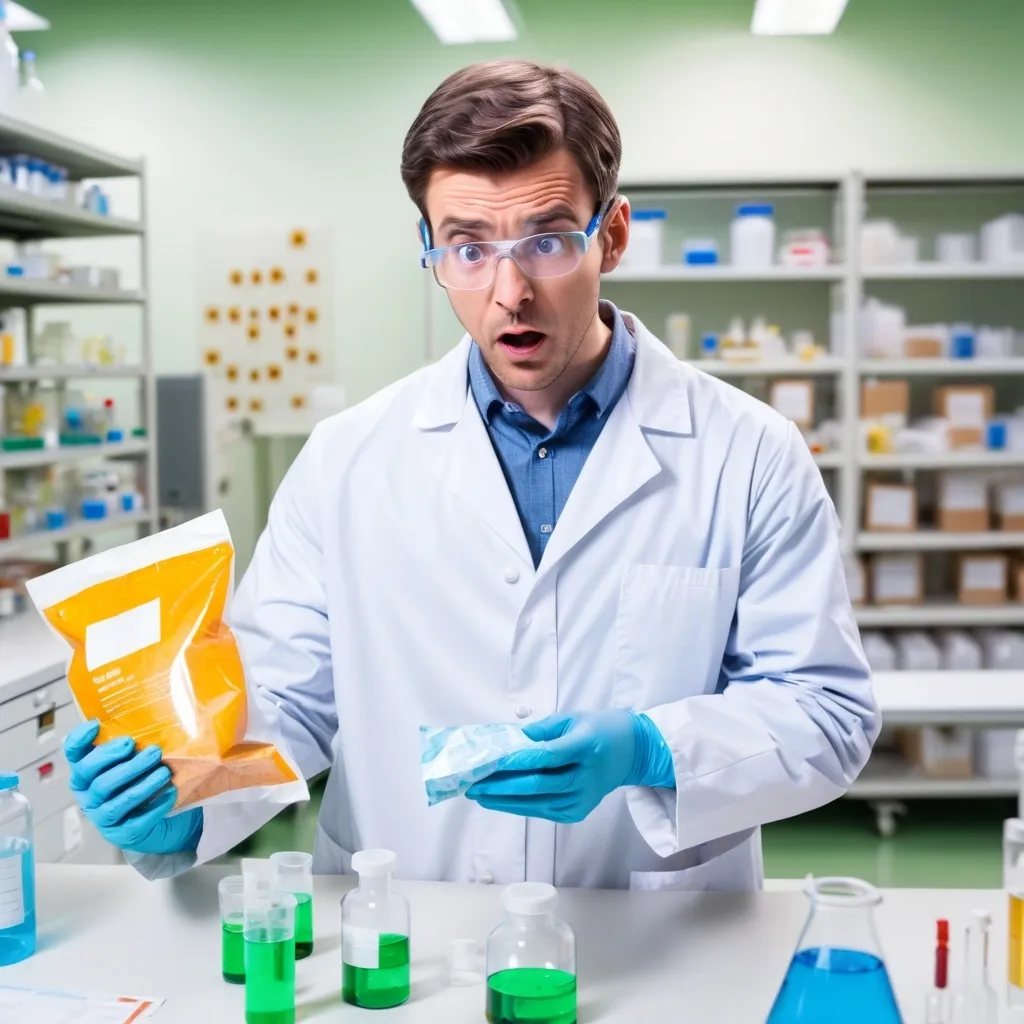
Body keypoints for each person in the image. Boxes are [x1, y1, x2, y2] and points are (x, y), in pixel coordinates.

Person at [63, 59, 879, 890]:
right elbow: (287, 700)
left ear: (615, 236)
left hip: (656, 934)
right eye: (468, 248)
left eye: (549, 241)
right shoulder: (349, 459)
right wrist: (186, 798)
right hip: (405, 931)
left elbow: (827, 711)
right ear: (430, 249)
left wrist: (654, 748)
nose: (509, 291)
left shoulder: (749, 453)